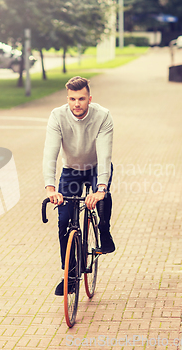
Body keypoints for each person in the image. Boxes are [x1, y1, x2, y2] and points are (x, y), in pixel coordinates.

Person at [43, 76, 115, 296]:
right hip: (71, 171)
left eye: (81, 99)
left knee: (102, 200)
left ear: (89, 99)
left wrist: (100, 189)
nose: (77, 103)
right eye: (72, 99)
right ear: (68, 99)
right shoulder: (57, 116)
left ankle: (104, 231)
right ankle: (70, 275)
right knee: (64, 221)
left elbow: (104, 156)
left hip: (95, 168)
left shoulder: (103, 116)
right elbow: (50, 154)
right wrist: (50, 188)